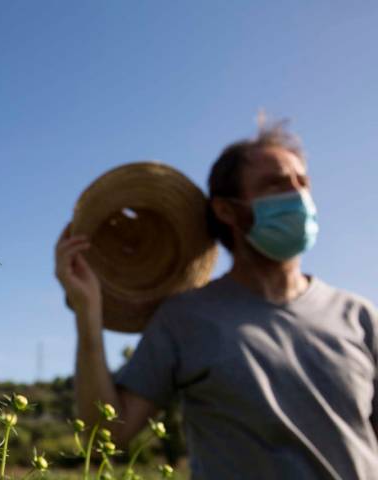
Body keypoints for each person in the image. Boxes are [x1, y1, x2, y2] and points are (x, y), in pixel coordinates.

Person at [54, 124, 378, 479]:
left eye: (303, 182)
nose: (297, 195)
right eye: (275, 184)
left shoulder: (360, 317)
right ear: (226, 210)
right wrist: (88, 314)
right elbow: (105, 437)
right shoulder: (184, 318)